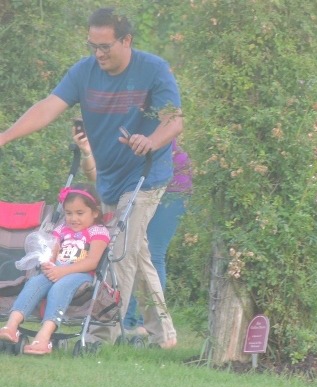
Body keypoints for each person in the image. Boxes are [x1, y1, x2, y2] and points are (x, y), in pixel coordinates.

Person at [0, 8, 182, 348]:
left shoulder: (153, 69)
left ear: (126, 40)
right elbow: (47, 107)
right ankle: (165, 335)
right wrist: (5, 136)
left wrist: (151, 140)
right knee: (136, 254)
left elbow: (174, 120)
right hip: (108, 178)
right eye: (93, 46)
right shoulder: (83, 73)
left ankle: (100, 333)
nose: (98, 54)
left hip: (146, 175)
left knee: (120, 253)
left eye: (106, 46)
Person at [73, 127, 192, 335]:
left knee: (151, 252)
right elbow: (94, 175)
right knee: (136, 250)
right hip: (134, 187)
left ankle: (132, 321)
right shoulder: (103, 131)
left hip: (170, 187)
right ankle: (153, 328)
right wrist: (87, 150)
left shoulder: (131, 115)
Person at [0, 184, 110, 355]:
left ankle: (44, 337)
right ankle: (12, 325)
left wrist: (63, 272)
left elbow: (92, 262)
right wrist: (48, 262)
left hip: (80, 275)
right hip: (57, 271)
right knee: (35, 281)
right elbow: (53, 252)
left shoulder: (97, 231)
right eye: (69, 213)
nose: (73, 218)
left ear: (95, 212)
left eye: (80, 213)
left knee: (61, 286)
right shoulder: (61, 229)